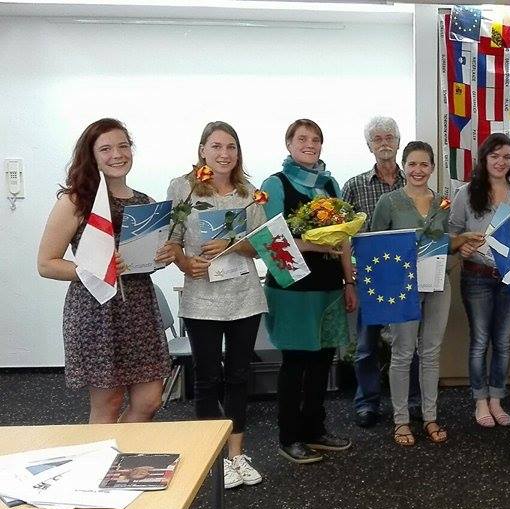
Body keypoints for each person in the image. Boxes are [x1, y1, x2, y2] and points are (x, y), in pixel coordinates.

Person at [37, 118, 171, 424]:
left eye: (123, 146)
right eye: (106, 148)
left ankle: (121, 460)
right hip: (96, 310)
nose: (117, 154)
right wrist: (96, 269)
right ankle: (104, 466)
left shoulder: (145, 202)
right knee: (108, 403)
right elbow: (46, 263)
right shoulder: (76, 201)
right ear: (92, 155)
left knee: (150, 400)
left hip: (139, 309)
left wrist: (162, 255)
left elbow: (147, 261)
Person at [166, 121, 266, 489]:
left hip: (244, 295)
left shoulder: (249, 193)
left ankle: (236, 454)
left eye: (232, 147)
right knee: (208, 378)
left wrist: (235, 242)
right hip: (202, 295)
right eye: (217, 146)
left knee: (239, 376)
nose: (224, 154)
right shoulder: (184, 188)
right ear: (202, 150)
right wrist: (182, 262)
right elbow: (171, 240)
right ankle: (214, 456)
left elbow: (260, 245)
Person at [260, 119, 356, 464]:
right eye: (302, 139)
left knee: (321, 362)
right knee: (296, 363)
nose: (309, 144)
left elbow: (343, 236)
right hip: (292, 289)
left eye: (315, 139)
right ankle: (289, 437)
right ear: (288, 143)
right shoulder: (275, 184)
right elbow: (272, 240)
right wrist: (315, 245)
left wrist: (349, 282)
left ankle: (315, 430)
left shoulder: (330, 183)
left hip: (329, 285)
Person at [370, 141, 477, 446]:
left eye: (424, 165)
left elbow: (452, 243)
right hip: (401, 289)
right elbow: (376, 245)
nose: (418, 170)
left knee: (430, 353)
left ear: (432, 168)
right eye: (412, 164)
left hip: (438, 286)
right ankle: (401, 421)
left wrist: (454, 260)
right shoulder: (389, 203)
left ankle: (430, 417)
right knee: (402, 354)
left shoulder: (444, 203)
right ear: (404, 168)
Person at [341, 116, 420, 428]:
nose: (384, 143)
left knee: (408, 344)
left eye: (390, 137)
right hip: (368, 280)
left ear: (398, 142)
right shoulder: (353, 187)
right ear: (369, 145)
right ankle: (367, 402)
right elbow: (341, 236)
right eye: (377, 139)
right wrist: (350, 275)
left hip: (405, 279)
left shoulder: (413, 182)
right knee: (365, 346)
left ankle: (411, 401)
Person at [448, 133, 510, 428]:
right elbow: (453, 234)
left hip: (509, 277)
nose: (500, 162)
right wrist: (462, 244)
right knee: (480, 341)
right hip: (476, 278)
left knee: (504, 342)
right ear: (484, 159)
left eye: (506, 157)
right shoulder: (467, 193)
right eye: (494, 156)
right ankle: (479, 400)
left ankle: (497, 398)